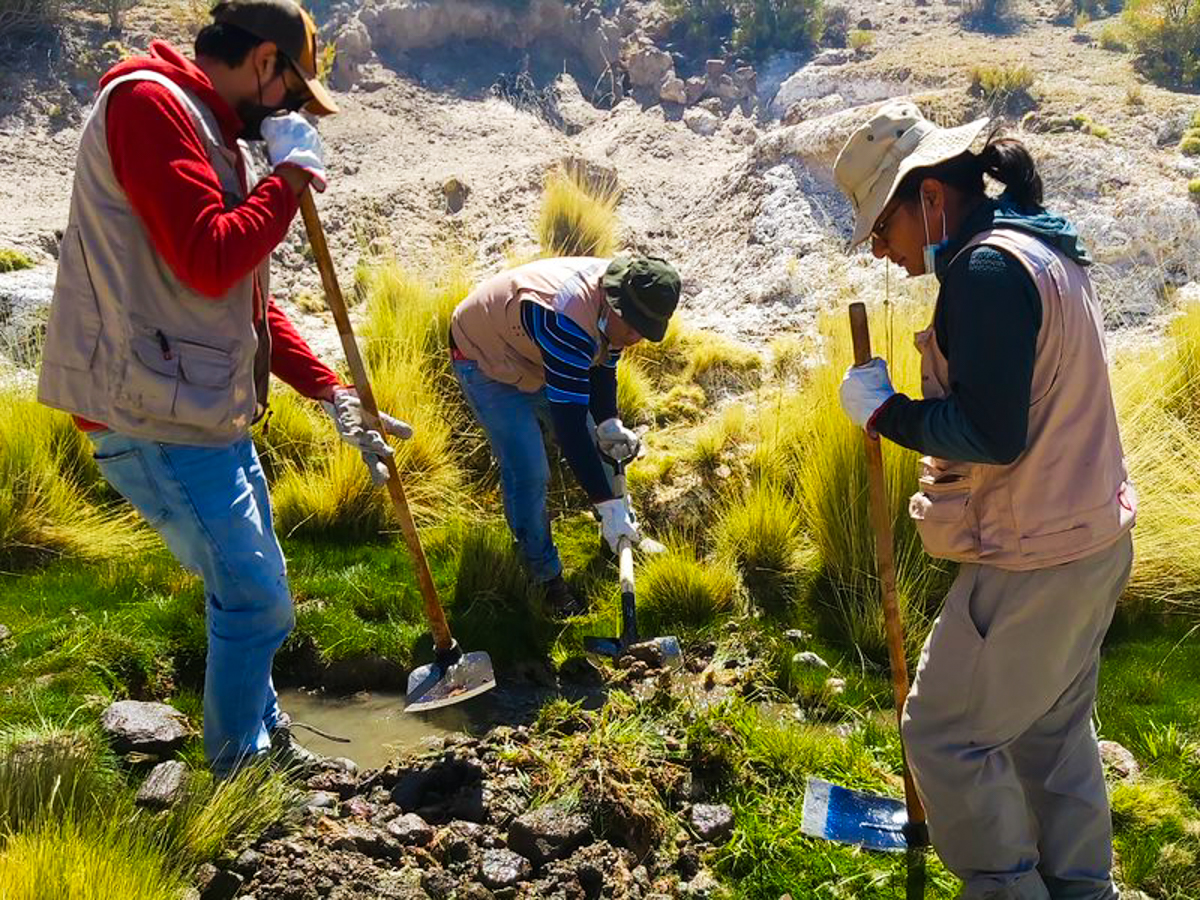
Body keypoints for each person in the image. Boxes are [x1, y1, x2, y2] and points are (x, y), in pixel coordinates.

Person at [37, 0, 411, 776]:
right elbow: (211, 256)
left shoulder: (211, 132)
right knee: (256, 599)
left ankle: (265, 738)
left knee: (255, 585)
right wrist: (293, 178)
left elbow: (236, 291)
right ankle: (241, 771)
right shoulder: (149, 106)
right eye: (291, 93)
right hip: (146, 411)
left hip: (200, 406)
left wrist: (329, 391)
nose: (287, 112)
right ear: (264, 62)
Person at [833, 101, 1137, 900]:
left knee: (944, 735)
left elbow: (994, 433)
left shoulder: (986, 270)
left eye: (880, 226)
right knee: (1051, 731)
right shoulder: (1038, 247)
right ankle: (1079, 887)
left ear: (928, 195)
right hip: (1092, 536)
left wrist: (886, 412)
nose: (879, 248)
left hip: (1035, 555)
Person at [449, 255, 681, 617]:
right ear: (614, 303)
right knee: (529, 470)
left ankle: (621, 534)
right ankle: (543, 574)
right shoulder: (567, 317)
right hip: (485, 358)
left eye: (646, 330)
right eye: (634, 327)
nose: (636, 338)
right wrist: (605, 502)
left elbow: (604, 363)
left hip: (537, 352)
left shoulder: (624, 301)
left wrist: (607, 423)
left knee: (604, 447)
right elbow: (570, 428)